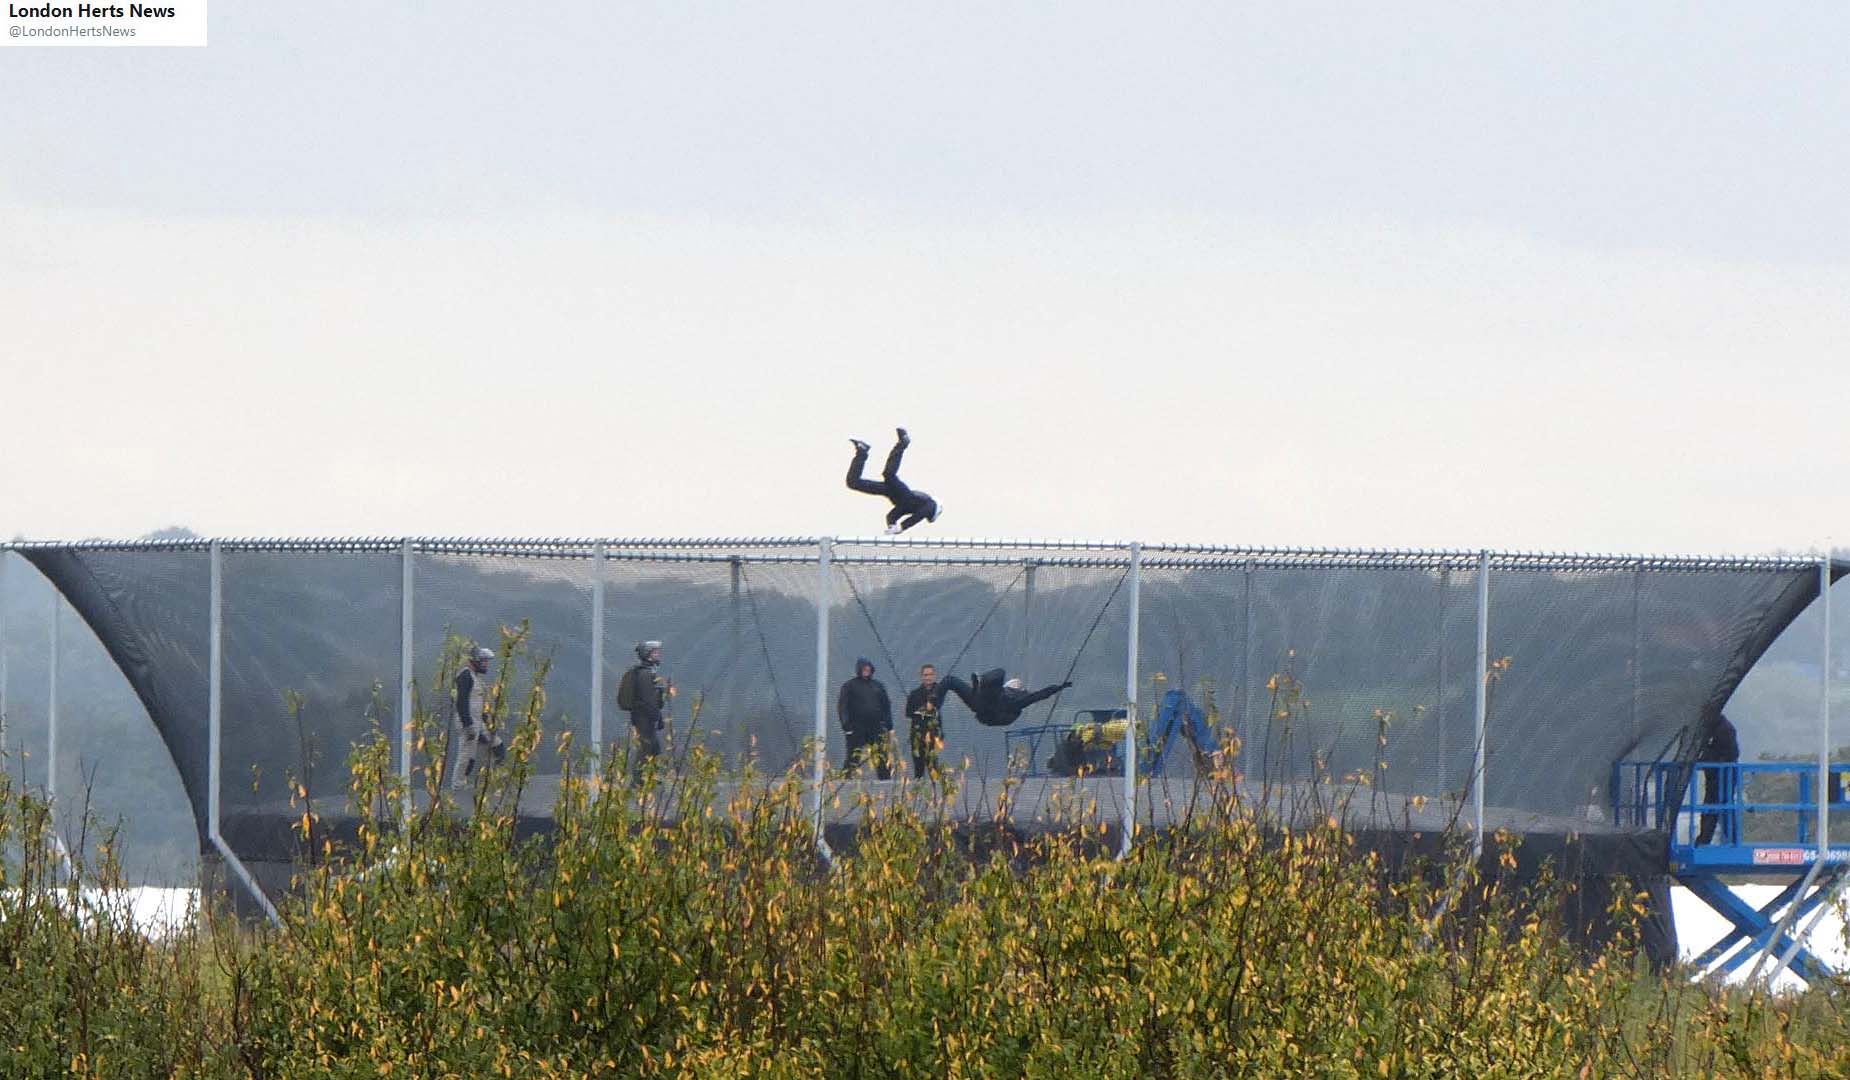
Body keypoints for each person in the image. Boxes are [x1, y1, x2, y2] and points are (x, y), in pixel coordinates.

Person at [845, 428, 942, 535]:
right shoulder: (930, 504)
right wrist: (901, 527)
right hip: (904, 494)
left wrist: (892, 526)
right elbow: (918, 517)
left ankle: (862, 452)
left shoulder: (907, 509)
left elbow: (891, 515)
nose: (927, 515)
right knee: (889, 475)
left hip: (893, 494)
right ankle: (903, 443)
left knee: (853, 483)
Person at [619, 640, 676, 782]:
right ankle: (638, 779)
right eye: (655, 652)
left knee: (653, 747)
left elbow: (654, 698)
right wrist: (657, 717)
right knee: (646, 746)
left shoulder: (649, 672)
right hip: (643, 717)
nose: (658, 654)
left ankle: (648, 776)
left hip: (646, 716)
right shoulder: (645, 674)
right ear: (648, 654)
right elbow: (647, 699)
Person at [452, 645, 506, 791]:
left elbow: (477, 703)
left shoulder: (475, 678)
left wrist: (487, 722)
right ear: (475, 661)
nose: (486, 664)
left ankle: (494, 777)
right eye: (484, 661)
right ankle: (458, 785)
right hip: (468, 722)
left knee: (496, 745)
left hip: (478, 722)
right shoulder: (465, 676)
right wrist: (468, 725)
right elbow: (461, 701)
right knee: (467, 754)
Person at [942, 668, 1071, 728]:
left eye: (1016, 683)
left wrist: (1058, 687)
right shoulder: (1002, 691)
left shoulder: (1019, 700)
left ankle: (978, 686)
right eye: (1013, 682)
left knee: (1000, 674)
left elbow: (1039, 695)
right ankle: (932, 705)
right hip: (980, 704)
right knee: (950, 681)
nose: (1015, 682)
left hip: (996, 713)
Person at [837, 656, 894, 778]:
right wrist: (847, 726)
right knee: (853, 757)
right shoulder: (849, 686)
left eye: (868, 668)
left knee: (881, 757)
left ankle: (886, 784)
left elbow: (886, 705)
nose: (866, 670)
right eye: (864, 668)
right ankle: (843, 784)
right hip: (857, 728)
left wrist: (888, 725)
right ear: (859, 669)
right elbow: (842, 707)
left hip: (876, 728)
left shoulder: (878, 686)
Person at [1693, 711, 1740, 846]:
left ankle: (1730, 840)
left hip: (1725, 776)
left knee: (1723, 807)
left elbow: (1731, 754)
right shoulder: (1714, 729)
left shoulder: (1725, 730)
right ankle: (1706, 840)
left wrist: (1708, 759)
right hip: (1715, 776)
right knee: (1713, 808)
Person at [905, 663, 951, 779]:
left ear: (934, 675)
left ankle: (936, 794)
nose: (928, 677)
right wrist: (922, 711)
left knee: (933, 766)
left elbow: (937, 705)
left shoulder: (939, 691)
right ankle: (918, 795)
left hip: (934, 734)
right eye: (925, 675)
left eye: (930, 674)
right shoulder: (914, 694)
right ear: (921, 677)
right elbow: (908, 712)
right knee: (919, 768)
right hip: (918, 735)